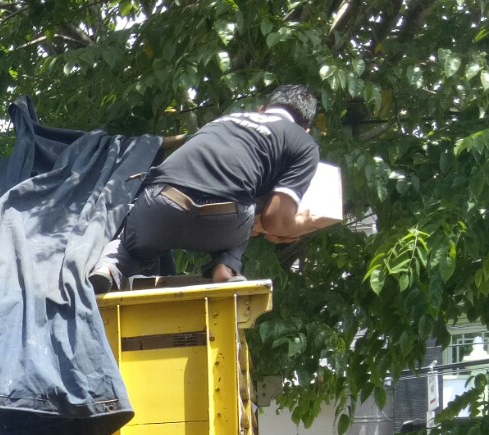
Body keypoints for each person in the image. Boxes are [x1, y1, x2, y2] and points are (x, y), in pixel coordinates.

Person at [91, 84, 324, 292]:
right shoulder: (303, 143)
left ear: (262, 109)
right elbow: (276, 219)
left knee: (129, 236)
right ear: (306, 130)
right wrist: (303, 225)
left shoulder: (224, 121)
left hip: (161, 206)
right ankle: (225, 268)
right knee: (248, 202)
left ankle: (110, 267)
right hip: (223, 222)